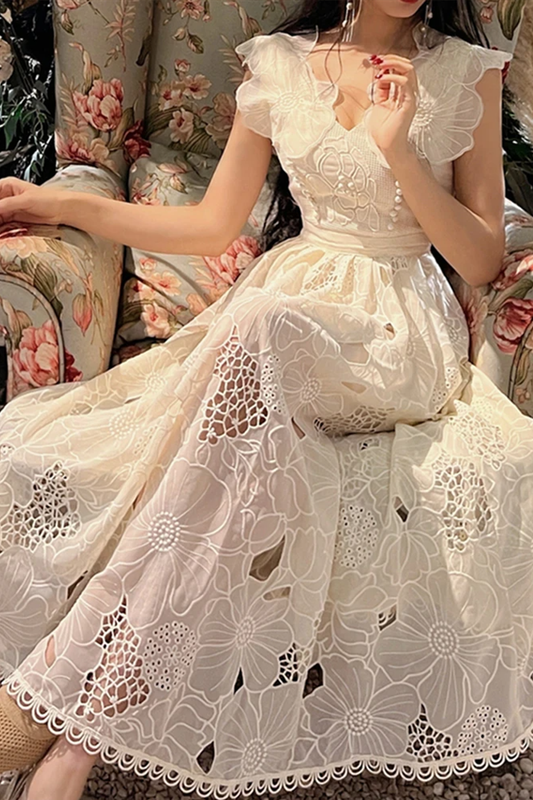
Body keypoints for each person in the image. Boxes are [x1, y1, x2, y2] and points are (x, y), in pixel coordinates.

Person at [0, 0, 528, 797]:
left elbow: (482, 259)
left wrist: (400, 152)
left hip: (397, 327)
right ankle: (83, 733)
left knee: (264, 328)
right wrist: (64, 204)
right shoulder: (277, 62)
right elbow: (211, 225)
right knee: (247, 381)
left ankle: (63, 718)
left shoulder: (465, 72)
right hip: (283, 306)